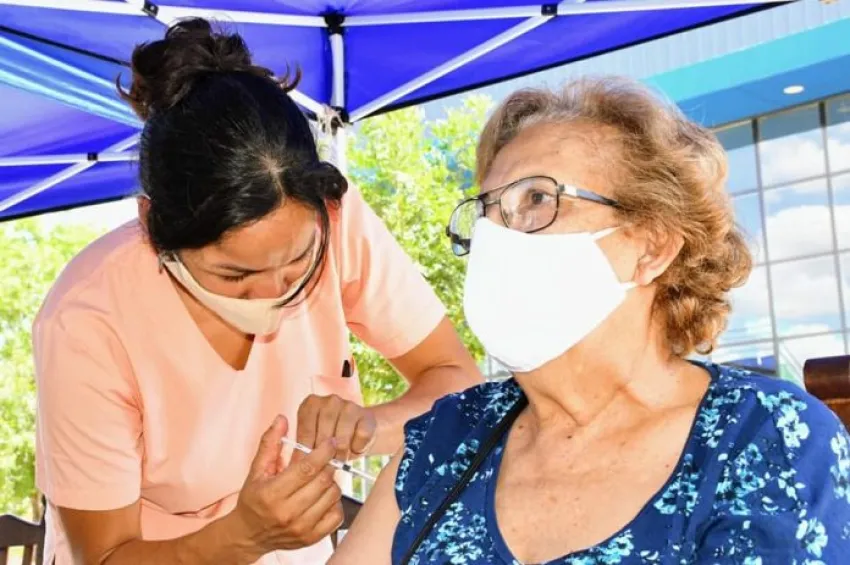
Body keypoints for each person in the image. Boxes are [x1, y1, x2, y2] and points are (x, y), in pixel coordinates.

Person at [330, 76, 850, 564]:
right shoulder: (446, 441)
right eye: (485, 211)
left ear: (653, 247)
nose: (494, 237)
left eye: (537, 199)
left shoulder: (766, 438)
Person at [32, 18, 481, 565]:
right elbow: (104, 556)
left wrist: (370, 426)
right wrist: (243, 537)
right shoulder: (87, 319)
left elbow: (457, 382)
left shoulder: (339, 224)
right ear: (152, 225)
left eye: (296, 266)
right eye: (234, 277)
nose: (272, 296)